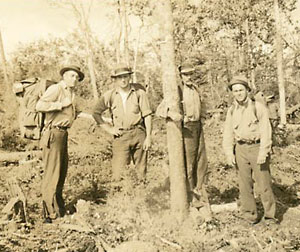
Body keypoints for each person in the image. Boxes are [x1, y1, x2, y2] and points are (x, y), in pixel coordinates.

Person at [222, 75, 277, 225]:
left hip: (257, 147)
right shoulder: (232, 110)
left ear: (247, 90)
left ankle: (270, 217)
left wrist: (263, 152)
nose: (238, 93)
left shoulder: (258, 107)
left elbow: (266, 131)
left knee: (264, 184)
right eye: (235, 91)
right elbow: (227, 132)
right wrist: (228, 152)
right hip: (240, 149)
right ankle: (250, 215)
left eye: (241, 90)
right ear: (232, 93)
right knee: (244, 185)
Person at [36, 65, 85, 223]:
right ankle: (49, 214)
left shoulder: (71, 93)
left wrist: (102, 120)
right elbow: (40, 106)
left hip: (63, 134)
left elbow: (77, 113)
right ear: (64, 76)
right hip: (53, 133)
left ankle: (58, 209)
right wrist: (59, 105)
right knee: (52, 173)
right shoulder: (57, 89)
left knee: (61, 172)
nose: (74, 79)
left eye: (77, 77)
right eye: (71, 76)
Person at [156, 62, 209, 206]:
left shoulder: (195, 89)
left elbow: (202, 106)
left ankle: (199, 190)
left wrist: (203, 118)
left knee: (202, 160)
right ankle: (190, 195)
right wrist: (173, 115)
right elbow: (160, 111)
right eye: (186, 74)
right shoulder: (177, 90)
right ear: (180, 76)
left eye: (191, 73)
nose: (189, 77)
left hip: (198, 127)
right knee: (189, 162)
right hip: (186, 129)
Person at [92, 65, 152, 183]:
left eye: (125, 76)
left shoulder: (139, 93)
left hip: (138, 133)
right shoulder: (110, 95)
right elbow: (96, 113)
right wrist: (110, 129)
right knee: (118, 172)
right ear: (115, 80)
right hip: (121, 136)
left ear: (130, 77)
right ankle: (120, 197)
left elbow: (147, 115)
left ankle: (141, 196)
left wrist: (148, 137)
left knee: (141, 170)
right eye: (120, 78)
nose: (123, 80)